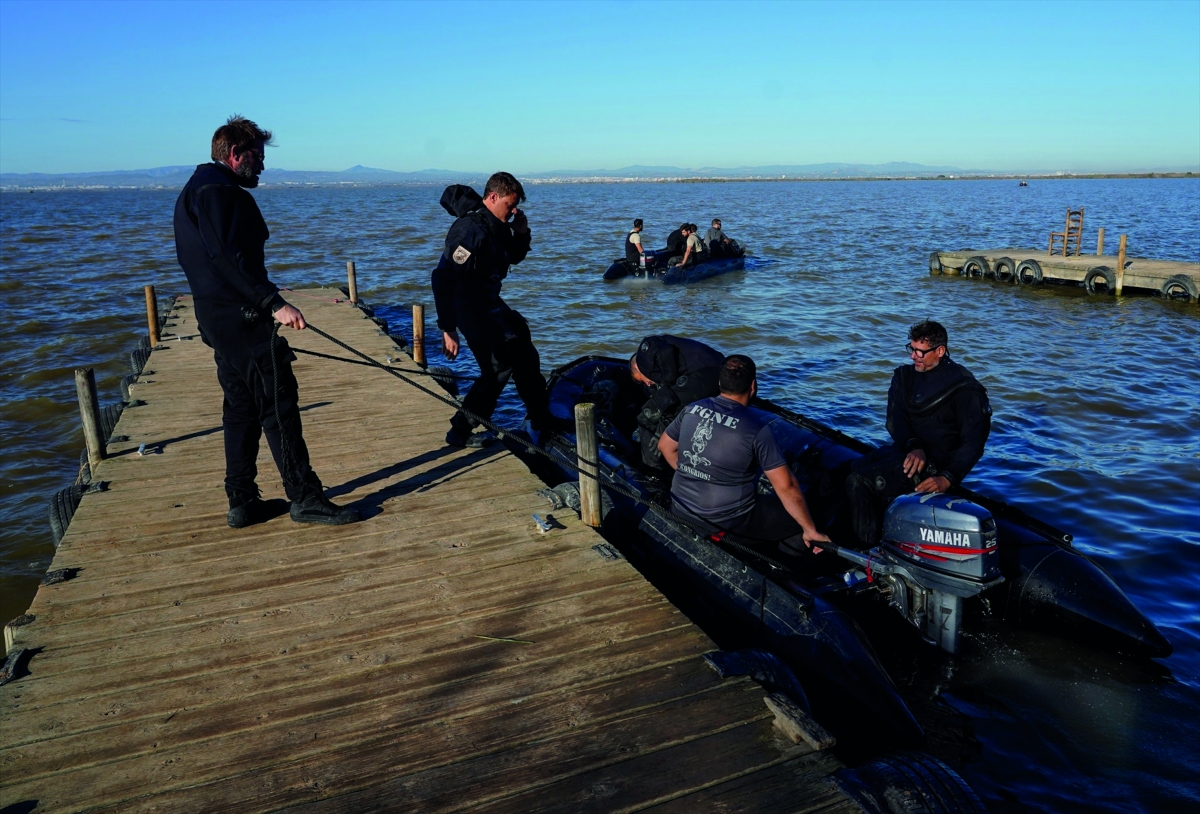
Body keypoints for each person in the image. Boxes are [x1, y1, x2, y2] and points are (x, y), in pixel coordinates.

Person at [173, 115, 359, 528]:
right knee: (279, 403)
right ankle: (305, 497)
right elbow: (227, 258)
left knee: (241, 406)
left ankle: (242, 501)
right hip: (241, 317)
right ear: (235, 154)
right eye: (256, 156)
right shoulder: (218, 191)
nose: (262, 164)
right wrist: (273, 303)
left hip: (217, 316)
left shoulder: (199, 187)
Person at [431, 172, 555, 447]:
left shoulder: (496, 226)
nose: (513, 212)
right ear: (493, 197)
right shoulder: (469, 230)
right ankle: (460, 431)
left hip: (488, 302)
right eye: (510, 205)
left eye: (516, 207)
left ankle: (541, 418)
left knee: (522, 345)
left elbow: (513, 257)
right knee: (498, 366)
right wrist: (448, 328)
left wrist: (521, 233)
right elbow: (442, 278)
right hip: (467, 306)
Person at [658, 355, 830, 554]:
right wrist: (810, 529)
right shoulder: (756, 429)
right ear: (753, 386)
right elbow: (786, 486)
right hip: (726, 523)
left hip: (680, 508)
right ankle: (788, 557)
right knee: (808, 509)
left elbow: (665, 446)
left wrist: (695, 473)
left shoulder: (692, 408)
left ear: (720, 382)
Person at [846, 320, 992, 545]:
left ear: (940, 351)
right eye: (911, 349)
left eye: (920, 352)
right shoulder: (904, 377)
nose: (913, 356)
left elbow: (974, 443)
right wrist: (914, 445)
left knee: (859, 482)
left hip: (935, 467)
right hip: (906, 451)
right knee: (846, 471)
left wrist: (948, 478)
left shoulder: (965, 389)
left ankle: (866, 553)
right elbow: (895, 420)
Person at [629, 335, 725, 468]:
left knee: (647, 417)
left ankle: (652, 469)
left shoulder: (645, 356)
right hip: (718, 368)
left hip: (704, 374)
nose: (648, 384)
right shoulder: (671, 346)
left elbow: (665, 352)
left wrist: (669, 385)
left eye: (642, 380)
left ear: (638, 367)